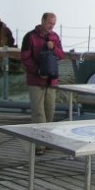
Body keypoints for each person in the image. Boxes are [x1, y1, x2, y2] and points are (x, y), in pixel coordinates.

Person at [21, 12, 65, 154]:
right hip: (36, 81)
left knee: (49, 112)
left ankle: (47, 141)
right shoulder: (30, 37)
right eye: (49, 23)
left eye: (53, 24)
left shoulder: (55, 37)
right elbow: (25, 58)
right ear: (42, 21)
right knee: (39, 113)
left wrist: (53, 48)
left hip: (51, 81)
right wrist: (38, 70)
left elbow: (61, 55)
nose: (51, 26)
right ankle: (39, 145)